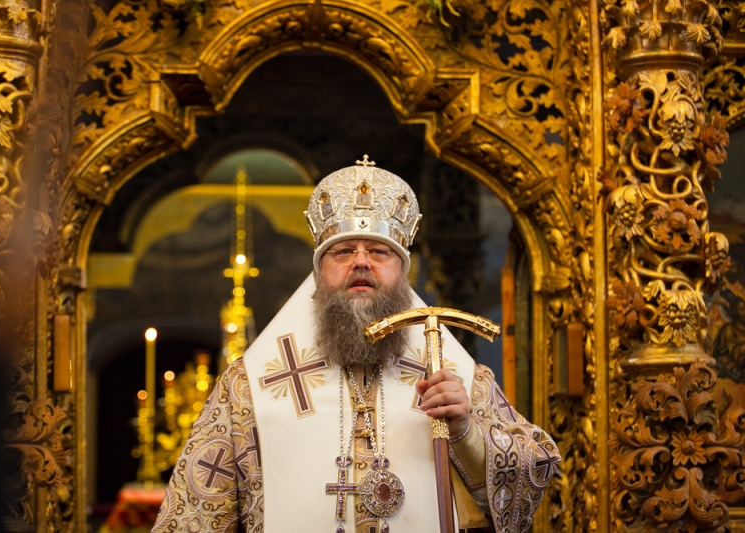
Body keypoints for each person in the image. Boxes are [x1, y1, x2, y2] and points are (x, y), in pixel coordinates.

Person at [151, 157, 559, 533]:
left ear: (403, 274)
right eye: (343, 251)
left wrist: (466, 433)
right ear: (318, 275)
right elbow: (190, 517)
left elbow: (536, 469)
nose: (361, 262)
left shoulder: (450, 375)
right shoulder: (248, 389)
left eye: (379, 252)